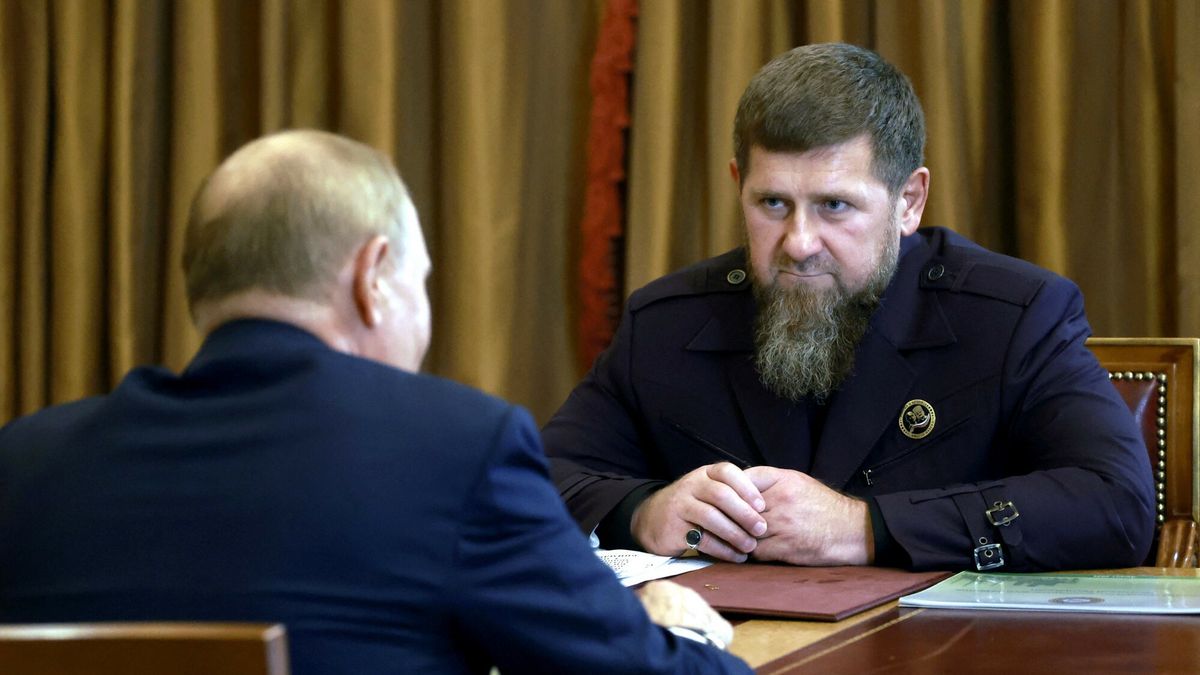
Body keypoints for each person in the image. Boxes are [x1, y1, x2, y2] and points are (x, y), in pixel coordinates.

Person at [0, 130, 750, 674]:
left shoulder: (24, 463)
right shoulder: (455, 450)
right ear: (374, 276)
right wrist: (673, 635)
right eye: (421, 282)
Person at [544, 43, 1155, 573]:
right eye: (773, 204)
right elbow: (531, 479)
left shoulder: (1015, 315)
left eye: (835, 205)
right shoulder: (667, 321)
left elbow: (1117, 505)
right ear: (738, 184)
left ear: (909, 201)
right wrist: (643, 512)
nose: (800, 242)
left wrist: (865, 528)